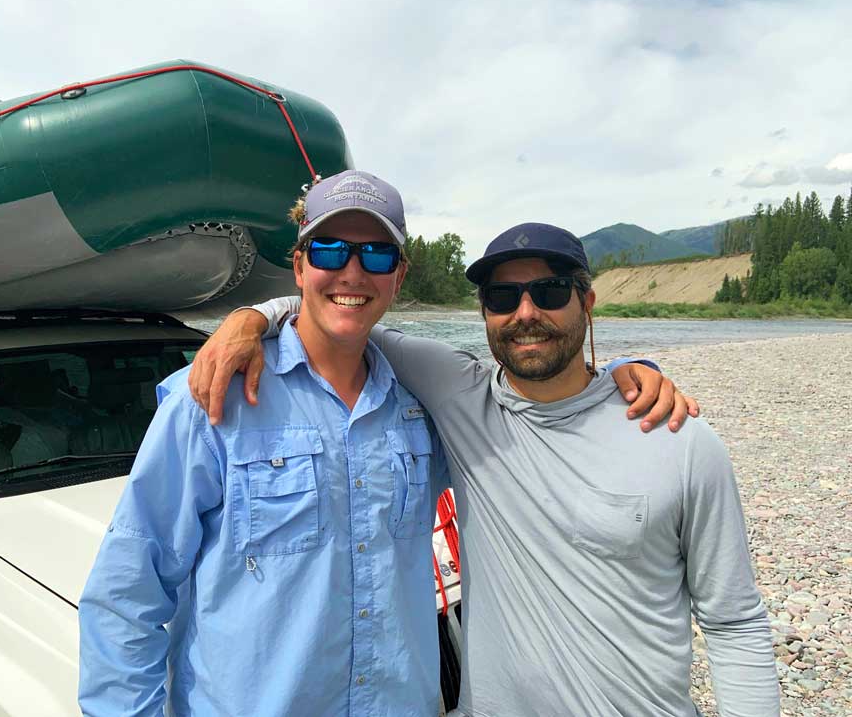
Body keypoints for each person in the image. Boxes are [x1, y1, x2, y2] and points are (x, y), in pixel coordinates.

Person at [78, 170, 687, 717]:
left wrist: (621, 375)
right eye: (329, 250)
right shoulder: (214, 396)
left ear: (397, 275)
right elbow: (130, 590)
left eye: (374, 254)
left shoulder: (426, 405)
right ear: (299, 266)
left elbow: (538, 400)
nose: (351, 272)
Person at [191, 221, 779, 715]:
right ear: (484, 313)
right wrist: (251, 317)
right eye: (502, 299)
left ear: (587, 301)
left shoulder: (679, 441)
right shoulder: (462, 395)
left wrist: (631, 364)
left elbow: (734, 624)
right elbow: (342, 308)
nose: (525, 313)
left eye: (549, 292)